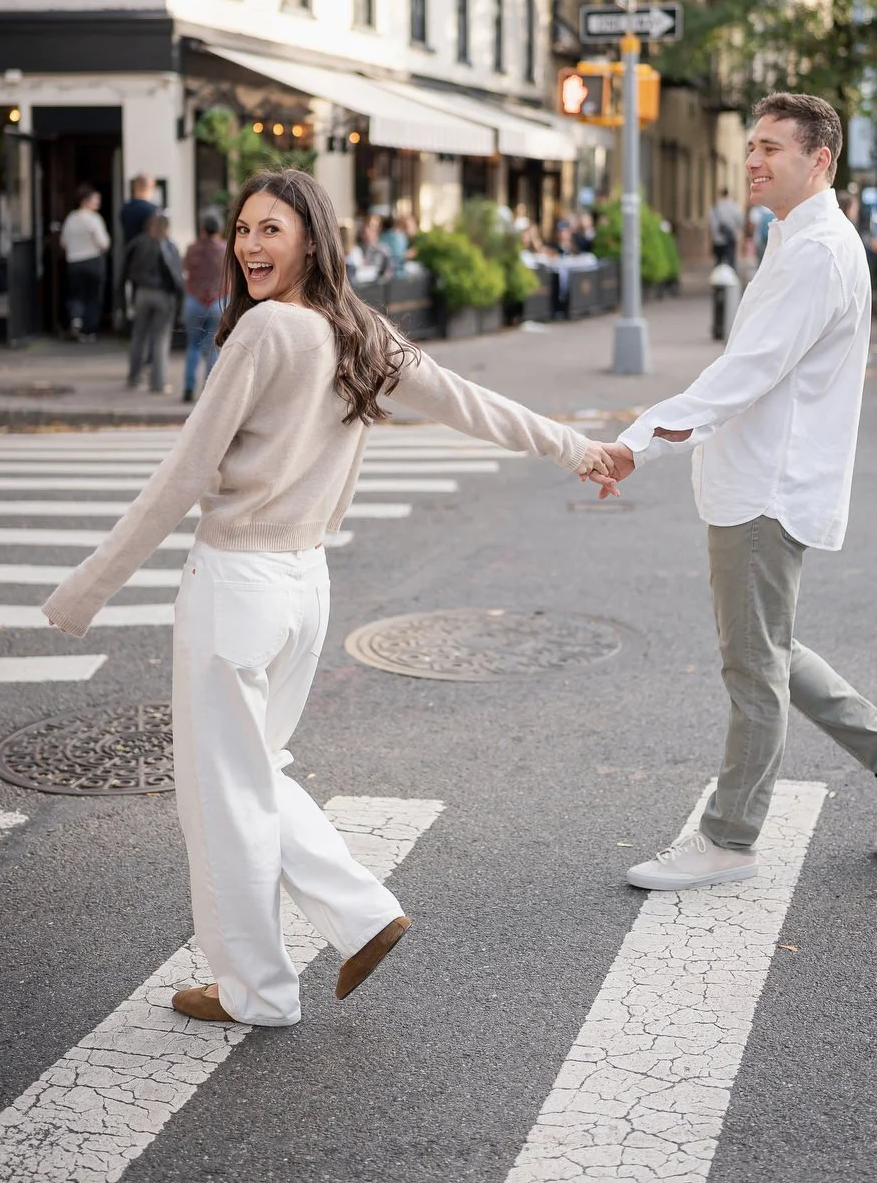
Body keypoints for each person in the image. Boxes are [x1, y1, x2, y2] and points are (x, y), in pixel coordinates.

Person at [42, 168, 614, 1028]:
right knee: (252, 775)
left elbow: (189, 470)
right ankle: (357, 916)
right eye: (241, 230)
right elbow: (468, 404)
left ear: (312, 236)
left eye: (270, 229)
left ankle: (261, 989)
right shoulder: (356, 331)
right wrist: (576, 449)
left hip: (237, 582)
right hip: (304, 588)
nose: (249, 246)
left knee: (221, 797)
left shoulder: (266, 331)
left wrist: (87, 588)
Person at [592, 93, 877, 890]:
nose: (753, 160)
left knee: (752, 666)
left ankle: (729, 839)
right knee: (770, 649)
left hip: (766, 489)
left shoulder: (818, 251)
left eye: (772, 148)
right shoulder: (799, 240)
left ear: (819, 161)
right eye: (751, 145)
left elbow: (745, 374)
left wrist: (635, 444)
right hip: (760, 481)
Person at [124, 212, 184, 393]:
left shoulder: (139, 243)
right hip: (162, 296)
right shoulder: (168, 245)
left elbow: (127, 269)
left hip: (142, 293)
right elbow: (176, 274)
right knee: (160, 340)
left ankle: (134, 377)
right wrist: (180, 299)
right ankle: (157, 383)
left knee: (138, 337)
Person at [181, 210, 227, 403]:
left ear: (202, 228)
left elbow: (185, 267)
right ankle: (208, 389)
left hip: (194, 300)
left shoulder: (192, 248)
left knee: (192, 346)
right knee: (213, 347)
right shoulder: (225, 250)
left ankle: (188, 387)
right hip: (217, 301)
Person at [59, 184, 111, 342]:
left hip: (74, 261)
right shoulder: (94, 219)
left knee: (76, 294)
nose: (97, 203)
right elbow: (103, 243)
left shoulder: (71, 219)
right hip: (93, 260)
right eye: (95, 200)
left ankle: (76, 319)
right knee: (93, 297)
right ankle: (88, 331)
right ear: (85, 201)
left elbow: (63, 242)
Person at [708, 188, 746, 269]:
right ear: (728, 194)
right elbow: (741, 221)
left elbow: (712, 224)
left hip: (718, 240)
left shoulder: (715, 208)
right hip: (730, 239)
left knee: (718, 262)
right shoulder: (734, 206)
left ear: (720, 195)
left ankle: (718, 278)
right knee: (730, 262)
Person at [120, 174, 160, 246]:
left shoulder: (125, 208)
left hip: (131, 251)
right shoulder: (154, 210)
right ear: (152, 187)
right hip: (149, 252)